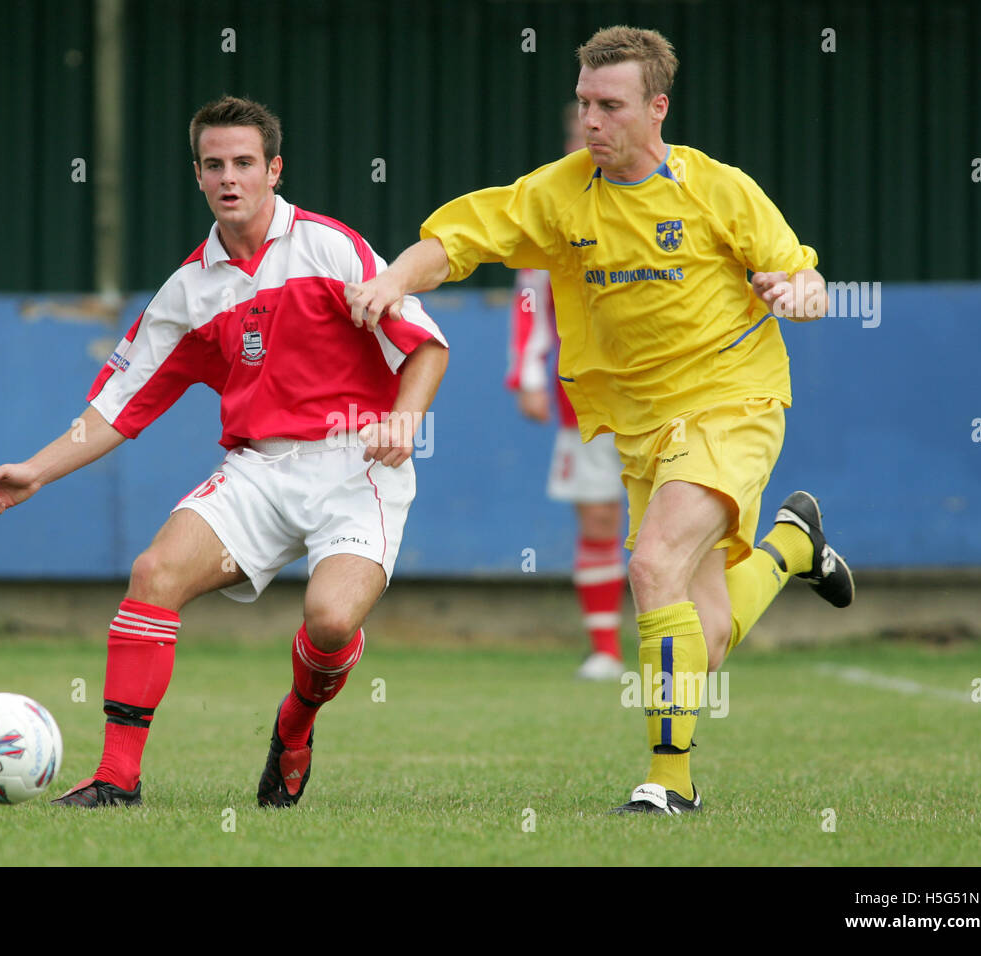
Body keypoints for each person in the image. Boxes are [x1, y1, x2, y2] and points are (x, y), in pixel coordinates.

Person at [346, 26, 854, 814]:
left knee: (652, 568)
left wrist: (800, 295)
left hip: (734, 402)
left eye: (609, 105)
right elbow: (455, 241)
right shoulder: (560, 191)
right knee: (706, 638)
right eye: (584, 102)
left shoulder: (719, 189)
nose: (592, 120)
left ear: (657, 108)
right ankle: (792, 548)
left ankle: (670, 785)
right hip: (641, 427)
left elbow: (807, 281)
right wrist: (392, 282)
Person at [0, 95, 448, 809]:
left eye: (245, 163)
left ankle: (295, 725)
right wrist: (34, 470)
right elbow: (115, 409)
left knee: (332, 621)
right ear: (197, 176)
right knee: (154, 572)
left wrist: (405, 422)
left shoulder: (331, 247)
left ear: (274, 169)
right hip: (258, 471)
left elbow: (428, 347)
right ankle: (116, 780)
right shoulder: (189, 290)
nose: (230, 178)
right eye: (215, 164)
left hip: (358, 470)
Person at [507, 105, 626, 681]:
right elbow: (532, 296)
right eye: (580, 126)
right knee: (600, 517)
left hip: (672, 395)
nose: (592, 133)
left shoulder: (672, 190)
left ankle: (685, 648)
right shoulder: (552, 203)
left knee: (674, 523)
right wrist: (529, 377)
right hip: (586, 398)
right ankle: (605, 650)